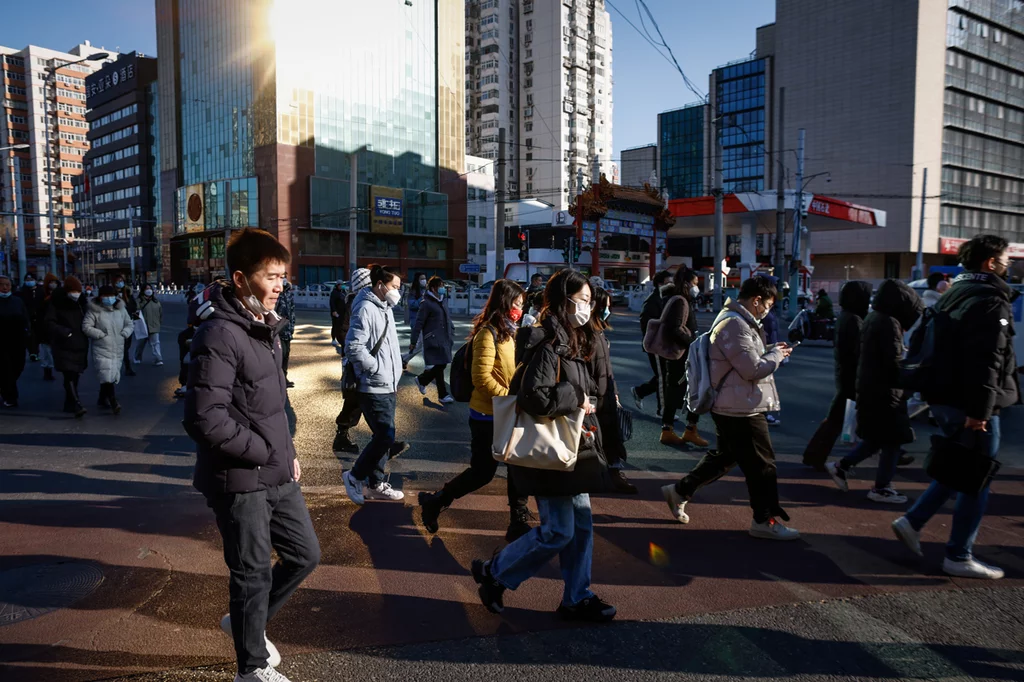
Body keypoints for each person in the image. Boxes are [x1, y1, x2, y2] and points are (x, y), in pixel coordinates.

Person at [182, 229, 319, 682]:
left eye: (284, 276)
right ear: (241, 279)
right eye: (272, 276)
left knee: (304, 556)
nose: (281, 284)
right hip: (238, 477)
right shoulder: (219, 333)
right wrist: (263, 452)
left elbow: (273, 405)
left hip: (276, 469)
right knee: (252, 572)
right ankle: (251, 667)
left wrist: (288, 451)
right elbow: (205, 418)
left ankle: (245, 625)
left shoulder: (266, 327)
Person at [471, 269, 616, 622]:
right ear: (564, 300)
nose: (587, 305)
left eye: (589, 300)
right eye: (581, 300)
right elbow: (534, 396)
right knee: (558, 530)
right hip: (547, 451)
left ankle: (576, 597)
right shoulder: (548, 340)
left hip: (571, 446)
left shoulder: (573, 336)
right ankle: (495, 572)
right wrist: (578, 397)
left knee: (580, 525)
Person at [893, 235, 1019, 580]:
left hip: (945, 395)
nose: (1009, 264)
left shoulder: (955, 294)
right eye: (1006, 258)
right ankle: (958, 554)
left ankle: (913, 520)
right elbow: (988, 359)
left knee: (961, 466)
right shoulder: (991, 299)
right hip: (971, 403)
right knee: (976, 477)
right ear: (990, 262)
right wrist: (980, 411)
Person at [661, 277, 797, 540]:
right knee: (762, 465)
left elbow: (742, 359)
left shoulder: (735, 319)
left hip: (732, 403)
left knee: (726, 457)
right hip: (740, 407)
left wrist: (769, 350)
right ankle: (764, 520)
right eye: (767, 305)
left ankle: (680, 491)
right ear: (756, 300)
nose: (767, 310)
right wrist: (776, 356)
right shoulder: (735, 324)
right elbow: (752, 369)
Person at [418, 279, 533, 539]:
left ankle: (518, 519)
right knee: (482, 472)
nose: (520, 309)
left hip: (509, 411)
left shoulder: (511, 331)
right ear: (505, 303)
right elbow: (481, 378)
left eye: (522, 305)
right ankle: (436, 502)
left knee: (518, 466)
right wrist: (510, 397)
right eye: (517, 304)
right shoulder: (488, 333)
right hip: (488, 415)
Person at [824, 279, 923, 504]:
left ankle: (843, 466)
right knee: (891, 440)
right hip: (884, 391)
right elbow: (893, 363)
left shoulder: (872, 318)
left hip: (871, 387)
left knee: (879, 438)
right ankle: (881, 487)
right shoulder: (889, 323)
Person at [341, 265, 406, 503]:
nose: (397, 292)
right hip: (373, 385)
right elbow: (353, 346)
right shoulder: (366, 307)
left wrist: (395, 369)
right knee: (385, 437)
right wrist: (376, 369)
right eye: (394, 287)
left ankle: (376, 483)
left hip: (387, 383)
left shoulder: (384, 307)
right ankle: (355, 476)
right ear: (380, 285)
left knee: (384, 435)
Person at [801, 280, 873, 470]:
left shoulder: (846, 316)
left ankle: (814, 456)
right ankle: (814, 456)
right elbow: (859, 351)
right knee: (839, 419)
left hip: (845, 374)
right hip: (852, 376)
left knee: (836, 417)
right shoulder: (855, 320)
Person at [589, 287, 637, 494]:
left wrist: (613, 391)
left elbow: (607, 368)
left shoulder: (598, 332)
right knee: (603, 437)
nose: (608, 310)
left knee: (609, 437)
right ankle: (608, 476)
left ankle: (610, 474)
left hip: (604, 393)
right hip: (595, 396)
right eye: (604, 306)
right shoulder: (588, 333)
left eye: (609, 306)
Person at [657, 267, 708, 448]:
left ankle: (683, 429)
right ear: (686, 283)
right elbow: (675, 328)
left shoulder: (680, 299)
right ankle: (673, 429)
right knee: (684, 390)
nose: (697, 287)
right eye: (695, 283)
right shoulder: (679, 301)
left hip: (682, 353)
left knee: (687, 390)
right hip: (681, 355)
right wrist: (693, 343)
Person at [83, 285, 134, 414]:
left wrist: (125, 333)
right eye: (105, 296)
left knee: (112, 374)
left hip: (118, 346)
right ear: (100, 297)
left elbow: (129, 323)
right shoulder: (94, 310)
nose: (108, 298)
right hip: (102, 347)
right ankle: (113, 401)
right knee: (106, 373)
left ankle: (101, 398)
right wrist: (100, 334)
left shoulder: (121, 310)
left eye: (111, 296)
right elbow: (86, 326)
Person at [45, 276, 89, 418]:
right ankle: (76, 403)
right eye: (73, 291)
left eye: (78, 291)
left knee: (75, 375)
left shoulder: (82, 304)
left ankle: (69, 402)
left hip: (80, 344)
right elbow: (49, 322)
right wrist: (64, 332)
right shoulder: (56, 303)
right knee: (68, 373)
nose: (76, 294)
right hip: (63, 344)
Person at [631, 270, 672, 415]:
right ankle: (663, 409)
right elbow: (647, 324)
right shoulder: (653, 301)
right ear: (660, 284)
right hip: (656, 344)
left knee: (666, 375)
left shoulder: (666, 298)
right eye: (668, 283)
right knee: (662, 376)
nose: (671, 285)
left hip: (664, 343)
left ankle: (640, 391)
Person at [411, 276, 455, 404]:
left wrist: (451, 329)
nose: (442, 289)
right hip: (433, 339)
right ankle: (440, 392)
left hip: (445, 337)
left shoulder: (443, 300)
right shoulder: (427, 303)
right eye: (440, 286)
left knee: (441, 365)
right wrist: (413, 341)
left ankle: (425, 382)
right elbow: (419, 322)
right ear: (433, 288)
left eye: (443, 286)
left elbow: (448, 317)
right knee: (441, 364)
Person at [0, 275, 30, 408]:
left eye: (7, 284)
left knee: (18, 366)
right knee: (6, 369)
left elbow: (25, 318)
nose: (5, 287)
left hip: (18, 341)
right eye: (2, 285)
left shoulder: (17, 301)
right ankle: (10, 396)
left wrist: (28, 334)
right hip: (1, 343)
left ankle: (6, 388)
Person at [34, 273, 62, 380]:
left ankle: (52, 368)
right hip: (44, 327)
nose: (53, 284)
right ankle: (47, 371)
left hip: (55, 325)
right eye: (51, 282)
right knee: (45, 351)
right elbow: (39, 311)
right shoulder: (41, 295)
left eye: (54, 282)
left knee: (52, 349)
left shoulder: (59, 294)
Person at [133, 285, 164, 366]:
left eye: (150, 288)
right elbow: (135, 314)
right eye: (146, 288)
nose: (149, 290)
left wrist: (159, 322)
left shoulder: (156, 301)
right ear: (143, 290)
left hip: (154, 326)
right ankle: (137, 357)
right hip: (143, 327)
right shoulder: (138, 301)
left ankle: (158, 359)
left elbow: (160, 313)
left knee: (156, 343)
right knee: (141, 344)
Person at [402, 272, 427, 368]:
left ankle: (404, 358)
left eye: (424, 278)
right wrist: (422, 297)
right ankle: (428, 367)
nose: (424, 280)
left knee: (420, 345)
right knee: (421, 345)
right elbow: (413, 305)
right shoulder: (412, 292)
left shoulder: (426, 290)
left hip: (426, 322)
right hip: (416, 322)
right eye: (421, 278)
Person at [115, 276, 138, 377]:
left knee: (126, 347)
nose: (120, 283)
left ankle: (126, 367)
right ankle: (125, 367)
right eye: (118, 281)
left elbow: (134, 307)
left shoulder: (128, 294)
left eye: (121, 281)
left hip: (127, 324)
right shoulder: (111, 295)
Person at [275, 280, 296, 388]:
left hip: (288, 330)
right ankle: (279, 379)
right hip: (278, 331)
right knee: (280, 355)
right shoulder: (276, 295)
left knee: (286, 354)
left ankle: (284, 377)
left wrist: (292, 327)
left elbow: (292, 312)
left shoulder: (289, 294)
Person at [16, 273, 42, 362]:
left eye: (31, 280)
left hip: (39, 317)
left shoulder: (41, 291)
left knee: (38, 335)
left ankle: (36, 351)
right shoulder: (21, 292)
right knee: (30, 336)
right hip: (26, 317)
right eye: (27, 280)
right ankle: (33, 352)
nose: (29, 282)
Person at [329, 281, 346, 348]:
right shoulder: (334, 293)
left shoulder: (344, 292)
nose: (341, 286)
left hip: (343, 312)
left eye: (342, 285)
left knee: (342, 326)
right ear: (337, 285)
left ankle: (342, 339)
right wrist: (334, 311)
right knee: (335, 325)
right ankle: (333, 338)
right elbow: (332, 302)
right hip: (336, 312)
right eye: (340, 285)